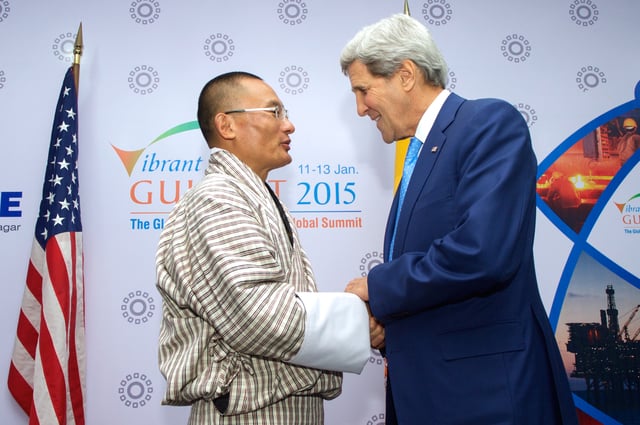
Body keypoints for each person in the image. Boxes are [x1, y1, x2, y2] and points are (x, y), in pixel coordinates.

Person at [340, 14, 579, 425]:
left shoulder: (487, 125)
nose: (361, 108)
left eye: (364, 90)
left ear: (406, 74)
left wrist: (378, 287)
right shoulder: (420, 154)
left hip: (486, 398)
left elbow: (482, 253)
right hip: (430, 395)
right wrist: (387, 326)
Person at [155, 71, 370, 425]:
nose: (289, 126)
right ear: (227, 125)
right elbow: (259, 317)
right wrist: (360, 321)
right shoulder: (217, 199)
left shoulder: (253, 197)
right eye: (275, 113)